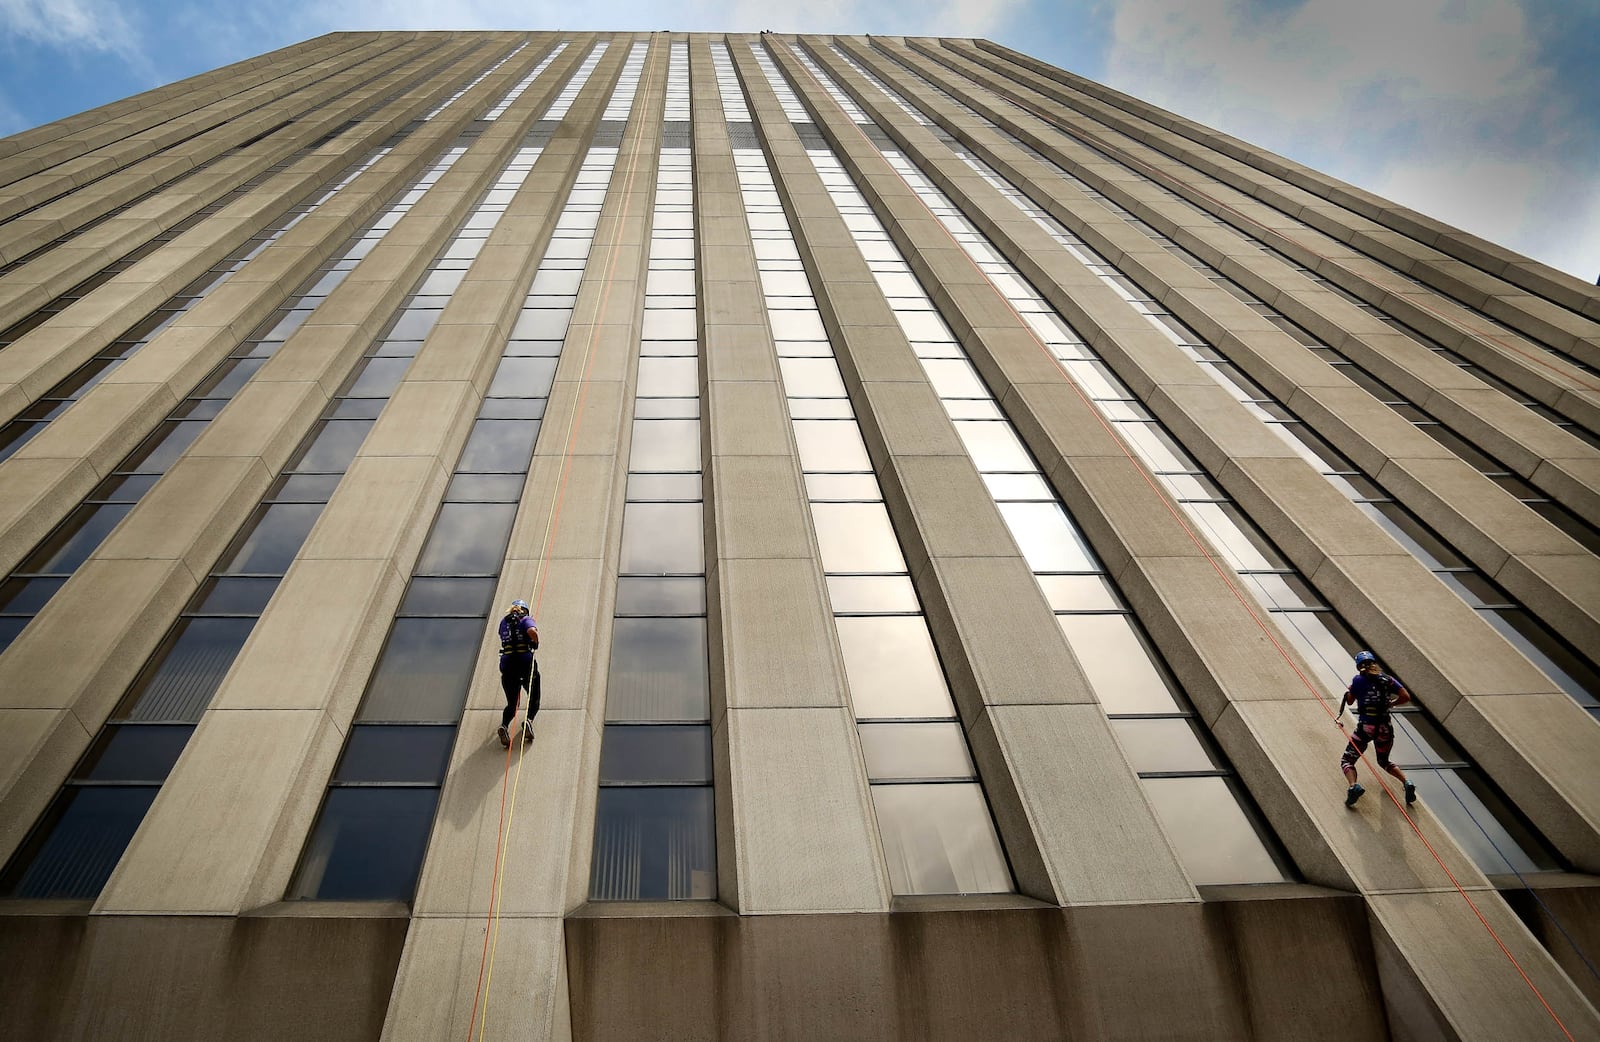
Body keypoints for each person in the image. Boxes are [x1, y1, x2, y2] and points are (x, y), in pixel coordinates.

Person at [1340, 650, 1416, 808]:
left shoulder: (1358, 680)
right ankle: (1406, 782)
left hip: (1366, 727)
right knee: (1384, 761)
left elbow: (1349, 701)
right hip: (1384, 727)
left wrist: (1350, 690)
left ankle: (1354, 786)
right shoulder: (1387, 680)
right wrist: (1391, 703)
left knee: (1347, 760)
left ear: (1358, 666)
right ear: (1374, 663)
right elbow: (1406, 697)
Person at [496, 599, 540, 748]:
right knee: (534, 696)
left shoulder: (504, 622)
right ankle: (528, 722)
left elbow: (502, 637)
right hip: (524, 663)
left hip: (507, 665)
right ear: (525, 611)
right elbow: (532, 631)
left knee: (512, 703)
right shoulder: (525, 619)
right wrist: (535, 642)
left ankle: (504, 726)